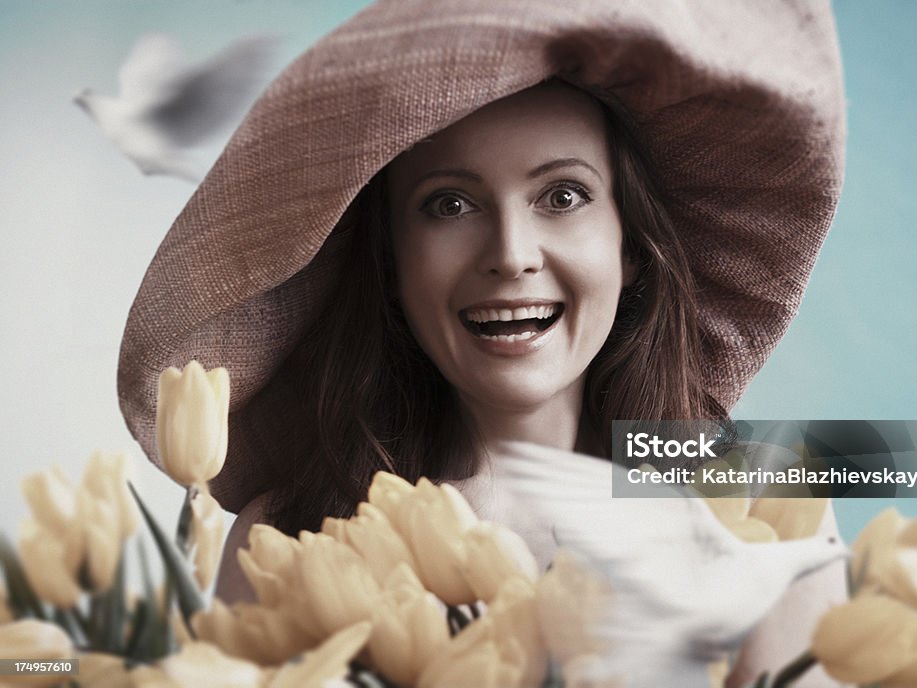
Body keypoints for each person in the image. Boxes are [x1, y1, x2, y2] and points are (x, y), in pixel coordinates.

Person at [117, 1, 847, 684]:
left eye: (563, 196)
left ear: (631, 248)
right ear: (392, 265)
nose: (510, 253)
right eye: (450, 204)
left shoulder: (769, 503)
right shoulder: (286, 539)